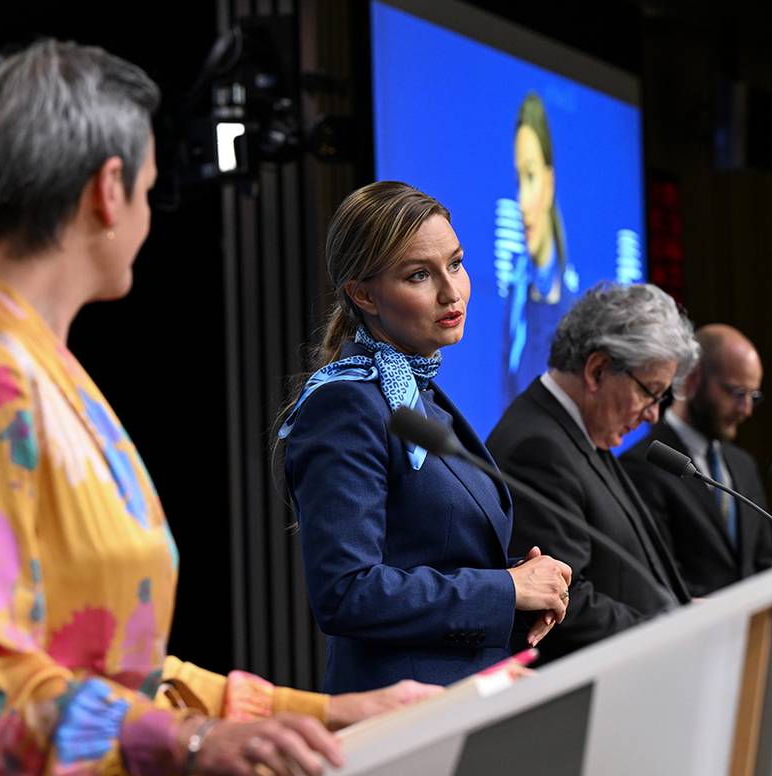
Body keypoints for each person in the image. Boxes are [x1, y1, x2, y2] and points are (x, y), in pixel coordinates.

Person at [0, 40, 435, 776]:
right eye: (149, 191)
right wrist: (190, 741)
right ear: (107, 189)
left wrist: (325, 711)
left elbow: (123, 672)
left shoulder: (43, 371)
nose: (149, 216)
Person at [278, 180, 572, 693]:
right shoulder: (346, 403)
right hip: (404, 714)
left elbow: (431, 556)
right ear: (363, 293)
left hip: (469, 695)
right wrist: (504, 589)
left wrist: (524, 590)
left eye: (455, 265)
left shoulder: (418, 393)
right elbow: (346, 592)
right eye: (419, 275)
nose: (451, 291)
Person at [486, 282, 696, 663]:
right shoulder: (536, 448)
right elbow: (565, 601)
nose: (653, 414)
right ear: (598, 370)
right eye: (650, 392)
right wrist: (671, 636)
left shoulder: (582, 432)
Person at [622, 323, 772, 597]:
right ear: (691, 380)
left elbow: (764, 562)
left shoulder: (743, 465)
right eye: (736, 393)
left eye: (753, 396)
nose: (747, 410)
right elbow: (659, 578)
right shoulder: (641, 465)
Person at [502, 92, 580, 401]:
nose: (521, 202)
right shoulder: (516, 296)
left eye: (531, 176)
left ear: (549, 183)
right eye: (518, 179)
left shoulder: (574, 303)